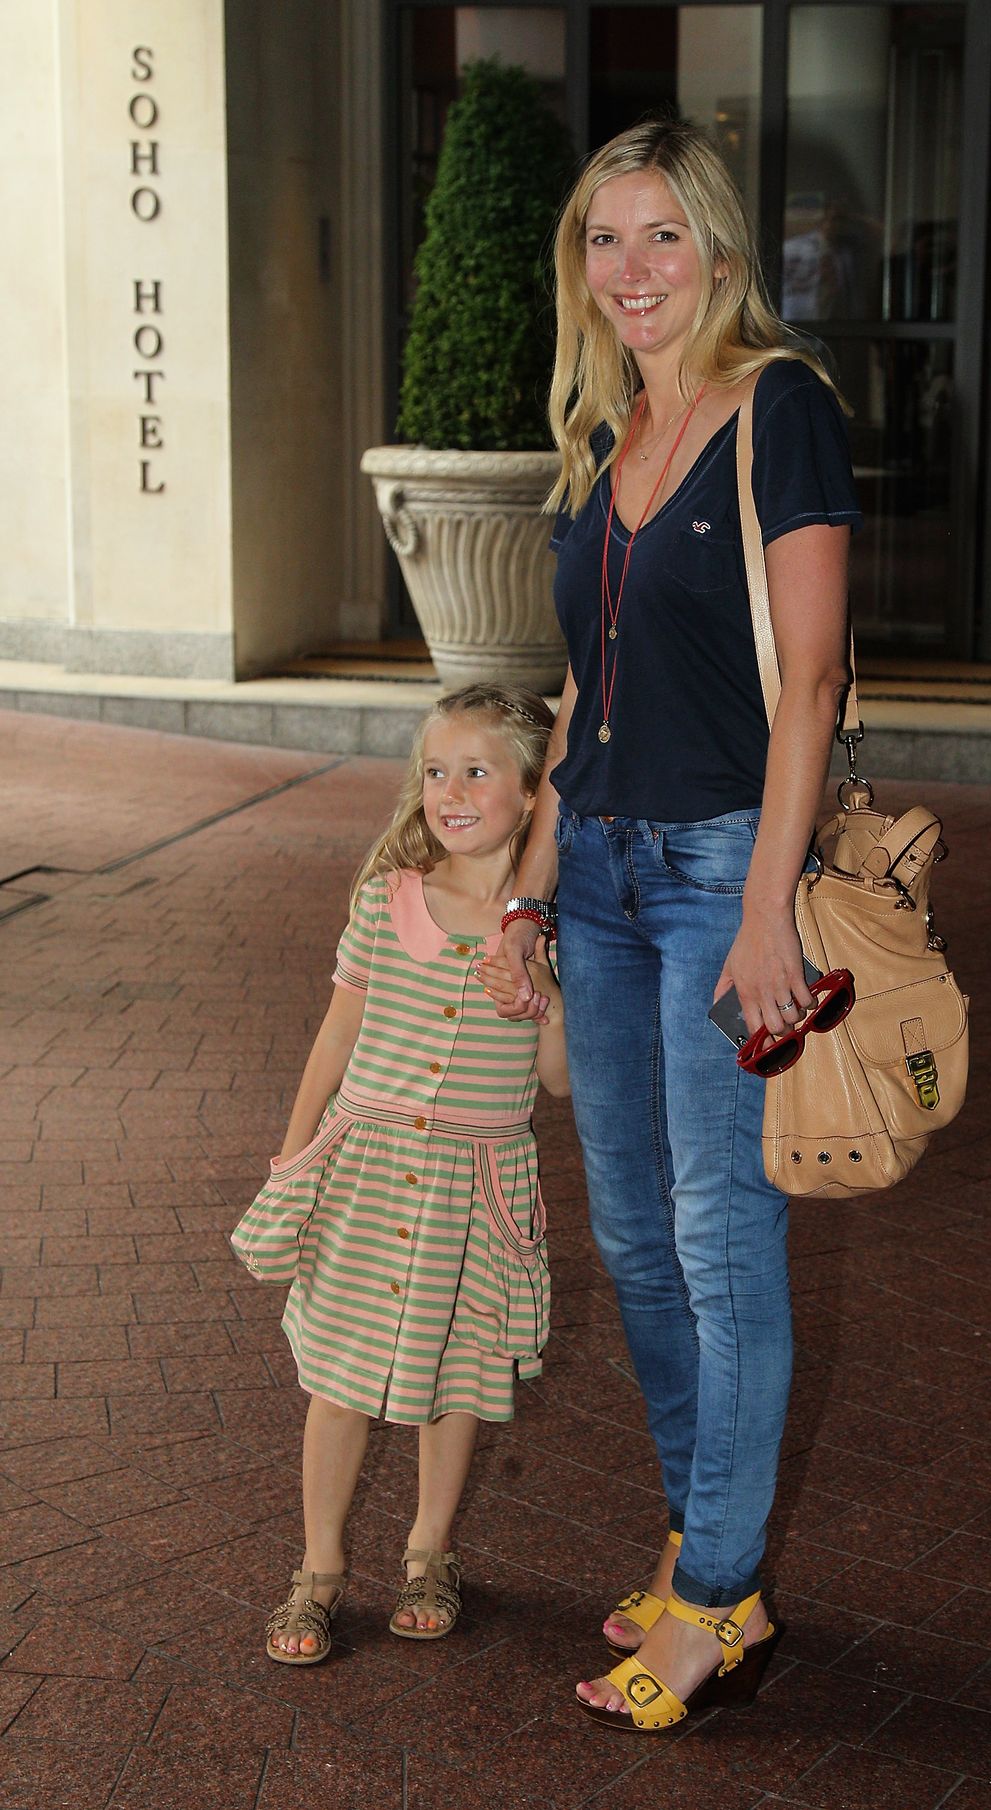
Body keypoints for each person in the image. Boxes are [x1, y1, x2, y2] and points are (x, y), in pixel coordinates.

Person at [495, 119, 861, 1732]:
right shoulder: (605, 432)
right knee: (638, 1245)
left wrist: (766, 910)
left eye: (661, 238)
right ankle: (705, 1542)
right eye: (603, 240)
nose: (631, 272)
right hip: (603, 879)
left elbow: (817, 681)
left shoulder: (780, 411)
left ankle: (715, 1596)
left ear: (717, 253)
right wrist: (527, 882)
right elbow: (584, 697)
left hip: (722, 873)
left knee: (722, 1242)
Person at [230, 683, 568, 1665]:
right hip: (369, 1167)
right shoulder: (390, 898)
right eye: (435, 770)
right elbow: (336, 1031)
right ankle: (320, 1568)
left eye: (478, 771)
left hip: (478, 1181)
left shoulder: (551, 926)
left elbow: (556, 1084)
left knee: (452, 1375)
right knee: (338, 1377)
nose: (450, 790)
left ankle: (430, 1552)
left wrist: (544, 995)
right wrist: (297, 1155)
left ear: (535, 790)